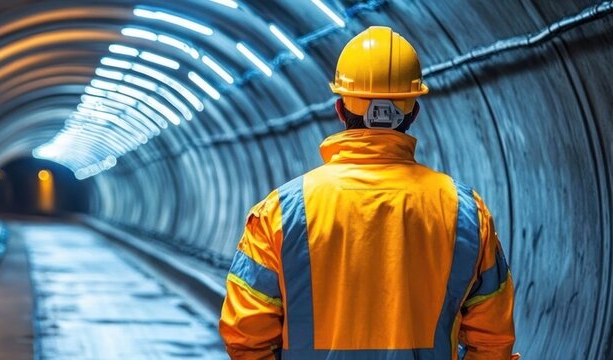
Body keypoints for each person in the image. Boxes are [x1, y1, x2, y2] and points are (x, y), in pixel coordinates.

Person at [218, 26, 517, 360]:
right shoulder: (466, 215)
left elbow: (246, 338)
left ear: (340, 110)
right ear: (414, 112)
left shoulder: (280, 213)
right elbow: (492, 342)